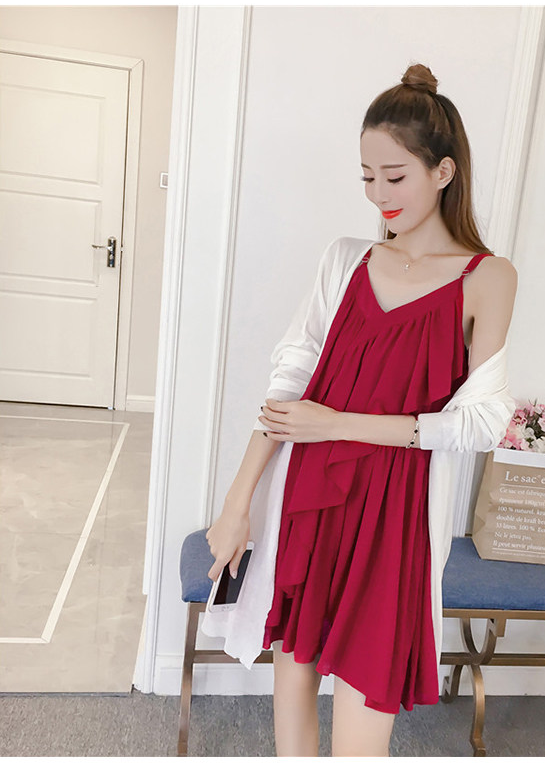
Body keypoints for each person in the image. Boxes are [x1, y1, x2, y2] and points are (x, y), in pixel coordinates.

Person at [202, 63, 518, 757]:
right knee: (292, 701)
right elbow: (289, 382)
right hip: (311, 497)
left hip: (395, 518)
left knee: (361, 735)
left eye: (394, 177)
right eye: (367, 177)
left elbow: (482, 421)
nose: (378, 195)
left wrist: (337, 424)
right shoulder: (345, 260)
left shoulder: (487, 277)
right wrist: (237, 502)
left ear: (443, 172)